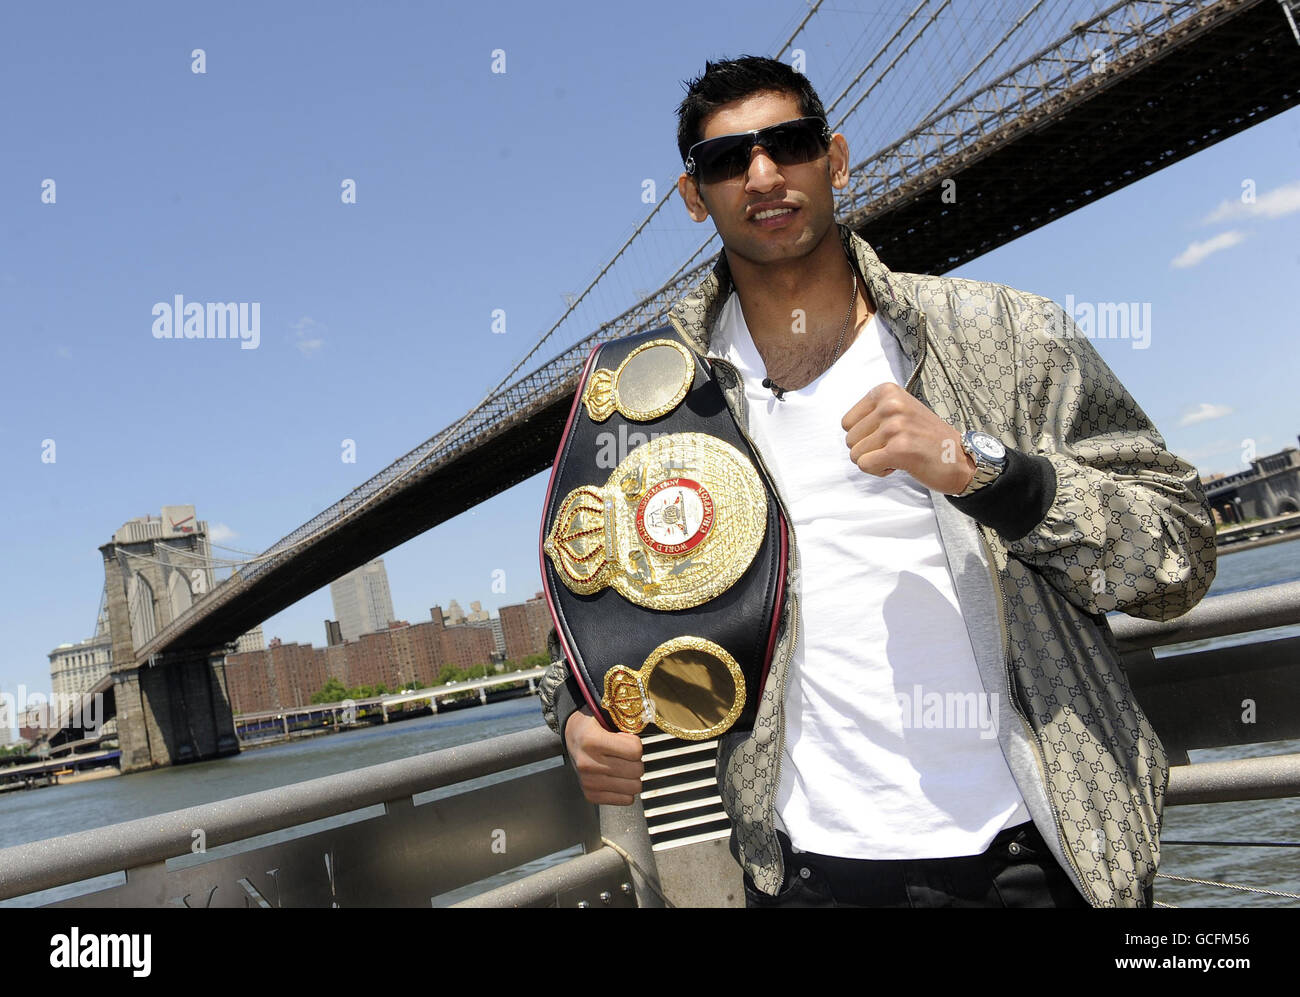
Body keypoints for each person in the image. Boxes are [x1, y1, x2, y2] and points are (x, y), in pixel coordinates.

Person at [537, 55, 1217, 908]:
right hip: (808, 875)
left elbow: (1179, 556)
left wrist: (986, 472)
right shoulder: (659, 398)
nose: (762, 174)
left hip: (1039, 859)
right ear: (691, 196)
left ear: (838, 159)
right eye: (726, 160)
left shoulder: (1005, 334)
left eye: (788, 143)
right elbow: (594, 597)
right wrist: (574, 711)